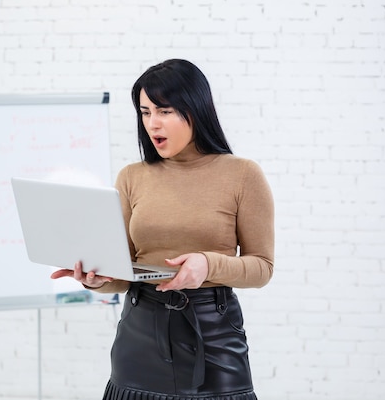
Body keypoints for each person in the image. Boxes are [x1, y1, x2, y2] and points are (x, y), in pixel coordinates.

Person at [51, 59, 274, 400]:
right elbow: (123, 271)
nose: (152, 123)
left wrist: (208, 264)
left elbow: (261, 267)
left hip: (212, 338)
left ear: (195, 110)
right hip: (138, 335)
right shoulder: (132, 176)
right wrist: (98, 279)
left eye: (164, 111)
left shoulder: (243, 175)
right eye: (145, 112)